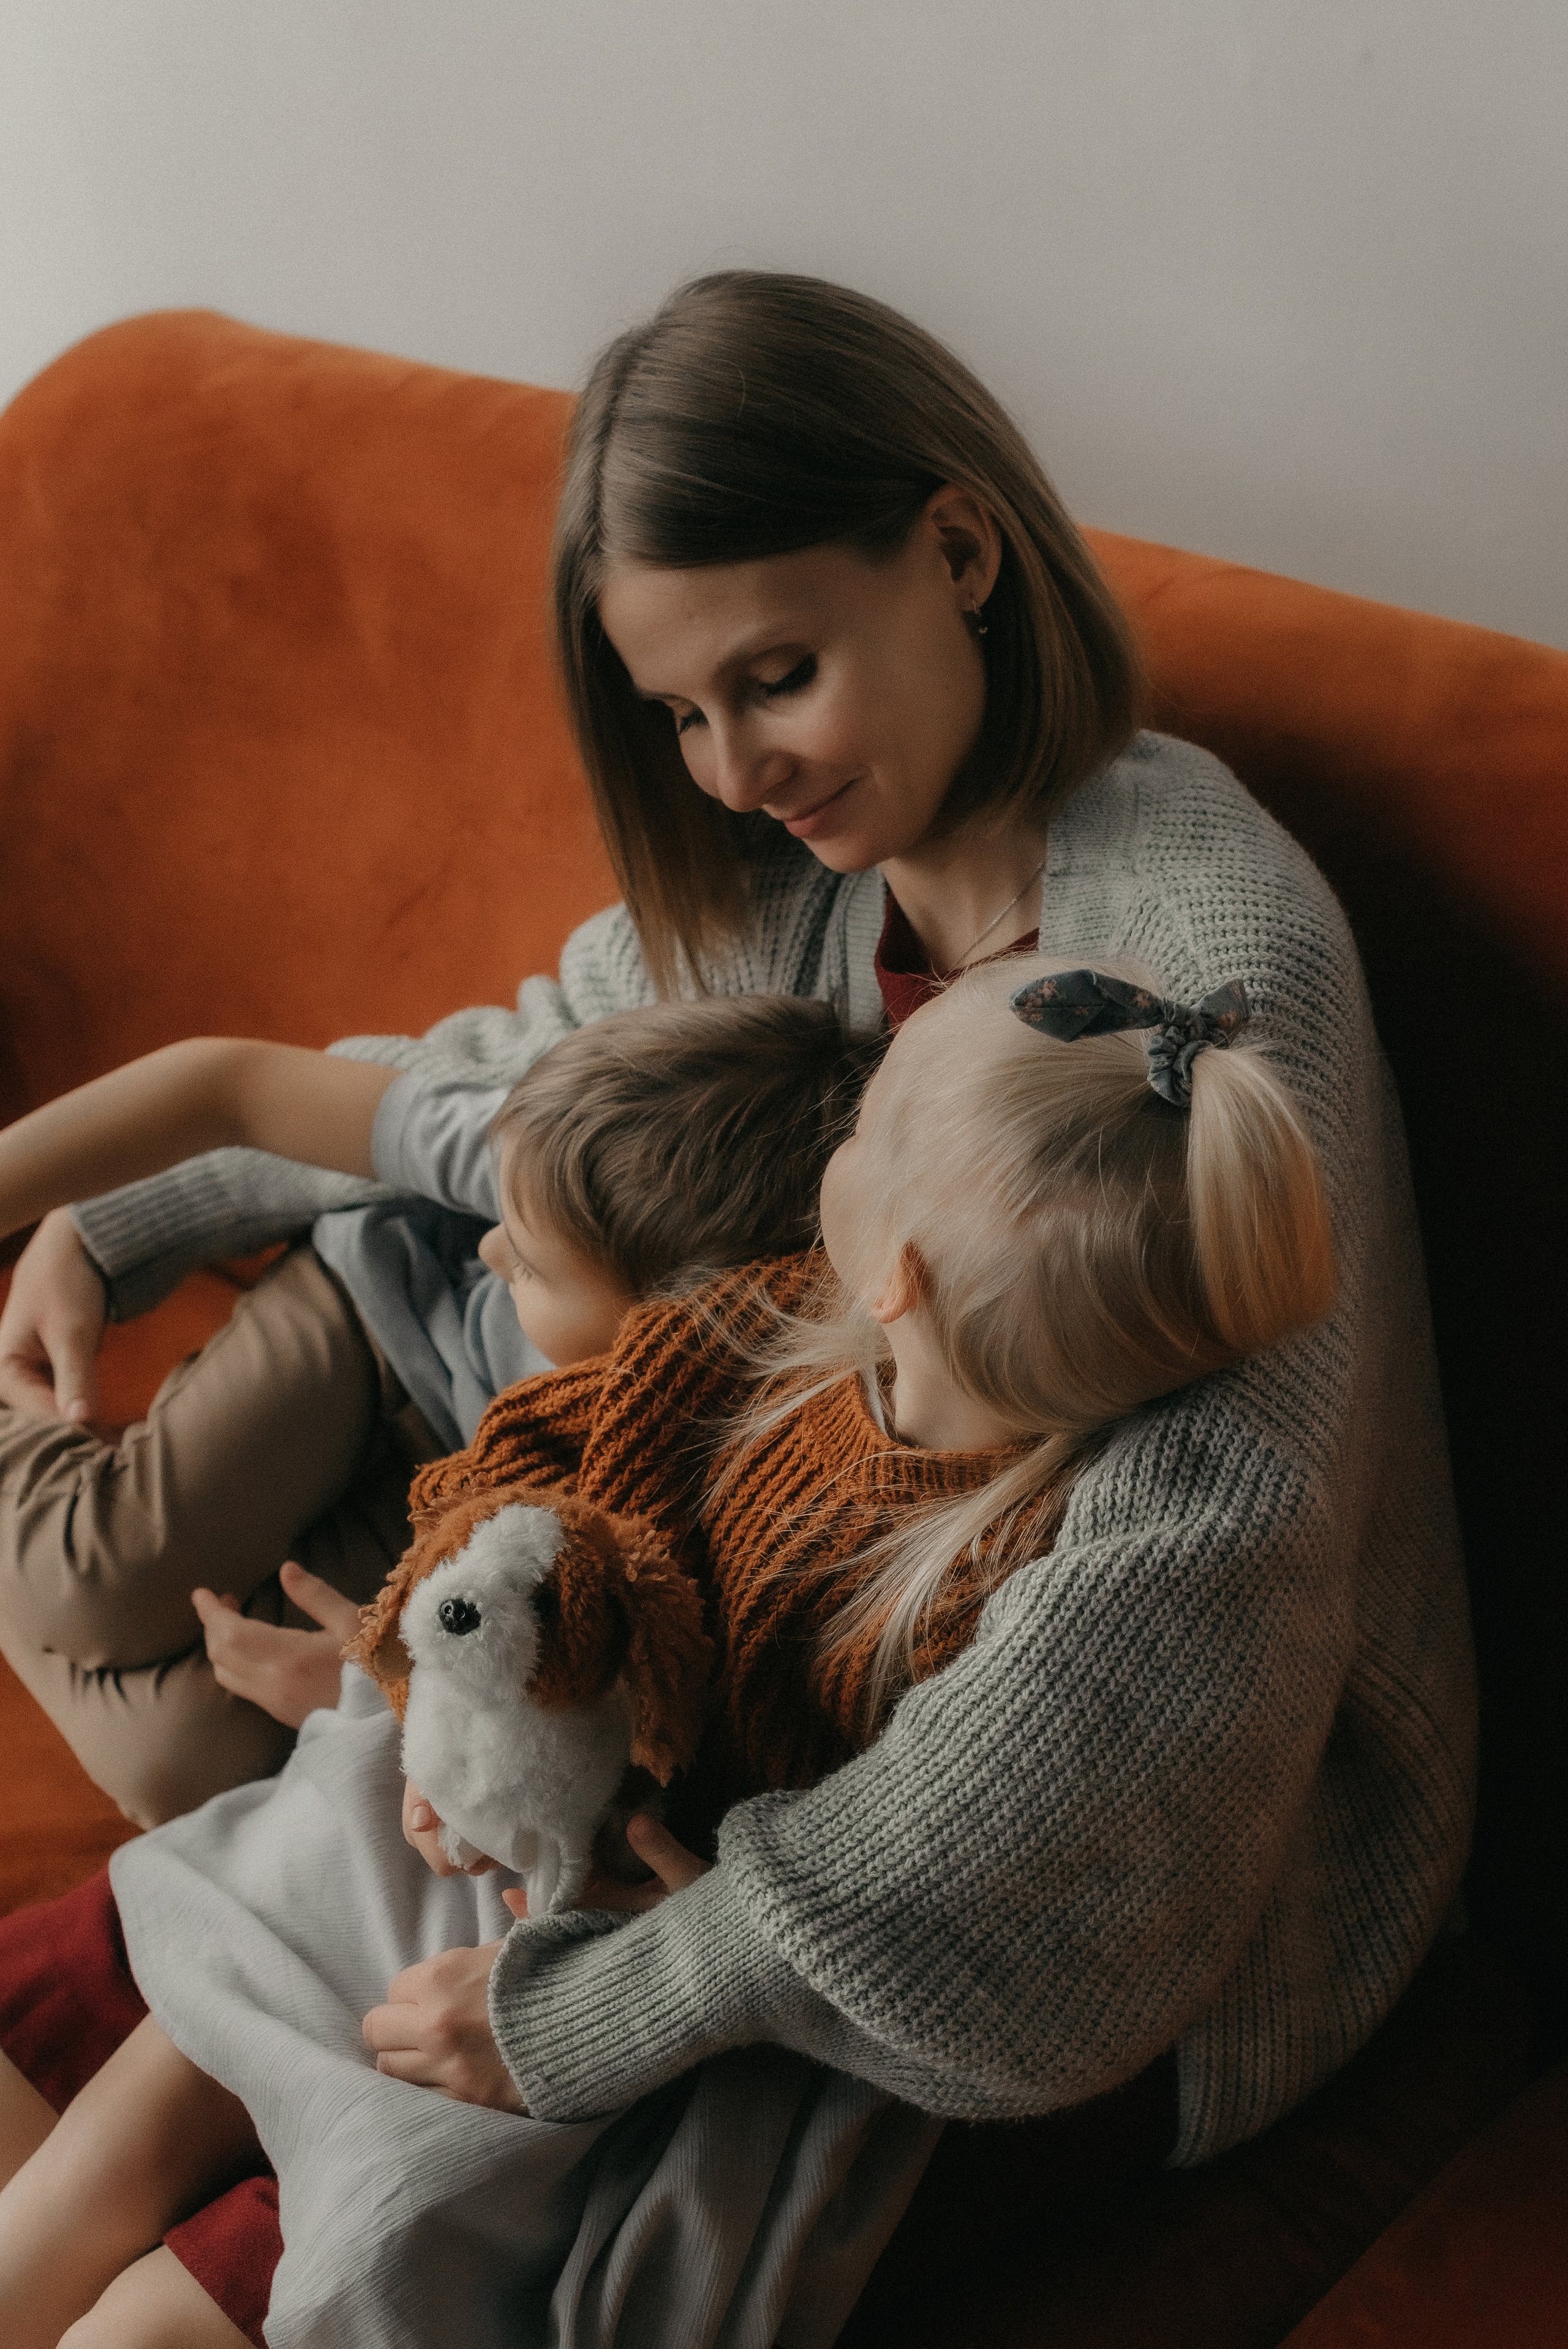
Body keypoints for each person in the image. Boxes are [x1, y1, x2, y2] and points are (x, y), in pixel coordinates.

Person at [0, 268, 1473, 2336]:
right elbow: (524, 1083)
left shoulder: (1197, 986)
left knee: (409, 2181)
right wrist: (127, 1209)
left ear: (959, 552)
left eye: (773, 675)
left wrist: (623, 1996)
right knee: (151, 1965)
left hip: (1088, 1906)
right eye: (678, 711)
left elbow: (1149, 1663)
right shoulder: (821, 881)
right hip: (735, 1709)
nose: (731, 765)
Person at [0, 948, 1337, 2347]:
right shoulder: (770, 1331)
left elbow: (860, 1889)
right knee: (140, 2097)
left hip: (628, 1955)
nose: (849, 1116)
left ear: (897, 1272)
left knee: (299, 2247)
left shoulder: (1002, 1596)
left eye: (871, 1123)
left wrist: (628, 1929)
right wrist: (460, 1654)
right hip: (517, 1792)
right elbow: (542, 1452)